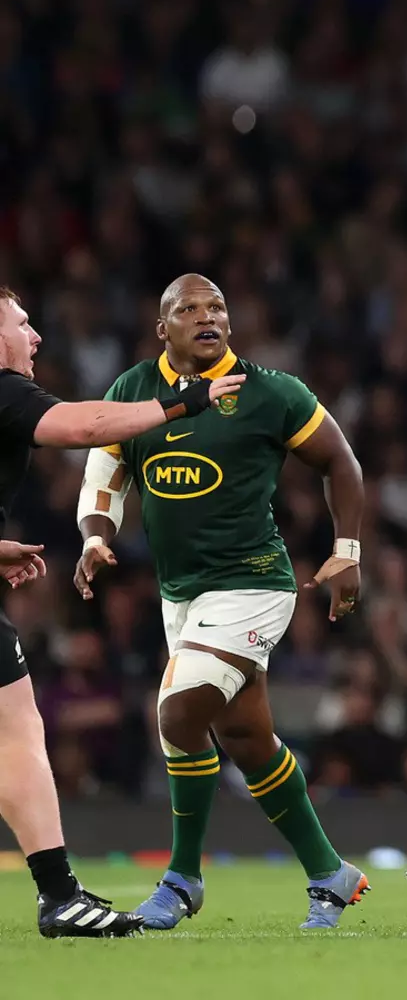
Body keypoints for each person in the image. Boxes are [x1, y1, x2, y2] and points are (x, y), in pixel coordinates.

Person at [74, 274, 368, 930]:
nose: (207, 317)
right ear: (163, 327)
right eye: (189, 309)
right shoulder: (133, 390)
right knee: (244, 735)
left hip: (256, 584)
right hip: (181, 598)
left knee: (178, 713)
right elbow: (104, 473)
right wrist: (95, 537)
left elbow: (341, 462)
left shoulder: (272, 393)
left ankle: (182, 879)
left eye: (218, 308)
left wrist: (347, 549)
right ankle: (330, 873)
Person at [0, 286, 243, 938]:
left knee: (13, 730)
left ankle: (60, 894)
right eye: (22, 322)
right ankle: (59, 895)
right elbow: (84, 427)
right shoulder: (4, 391)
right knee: (14, 736)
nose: (35, 335)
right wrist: (183, 401)